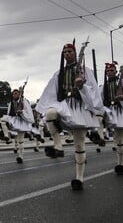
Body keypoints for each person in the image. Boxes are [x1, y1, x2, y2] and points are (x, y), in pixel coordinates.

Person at [36, 42, 103, 191]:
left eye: (69, 51)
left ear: (74, 53)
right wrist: (40, 107)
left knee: (79, 144)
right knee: (50, 113)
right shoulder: (58, 73)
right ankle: (58, 146)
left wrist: (82, 86)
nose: (67, 54)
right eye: (65, 52)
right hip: (64, 106)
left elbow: (93, 92)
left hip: (79, 109)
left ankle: (79, 178)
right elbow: (50, 92)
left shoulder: (85, 71)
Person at [0, 87, 34, 163]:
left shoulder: (24, 101)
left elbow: (28, 112)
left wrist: (21, 112)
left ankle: (20, 156)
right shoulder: (11, 103)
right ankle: (7, 136)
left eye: (16, 93)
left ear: (19, 94)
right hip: (14, 120)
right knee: (2, 120)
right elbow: (9, 113)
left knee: (20, 141)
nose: (14, 95)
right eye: (13, 94)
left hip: (21, 121)